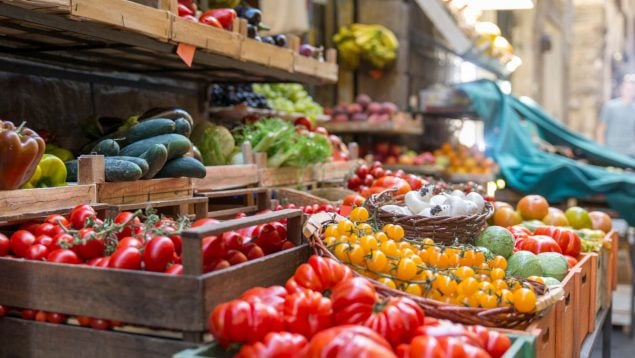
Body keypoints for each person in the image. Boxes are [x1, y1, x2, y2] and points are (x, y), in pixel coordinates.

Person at [596, 75, 635, 157]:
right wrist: (601, 149)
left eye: (632, 90)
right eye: (627, 89)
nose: (629, 92)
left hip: (630, 153)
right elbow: (601, 129)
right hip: (611, 151)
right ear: (622, 89)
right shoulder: (610, 106)